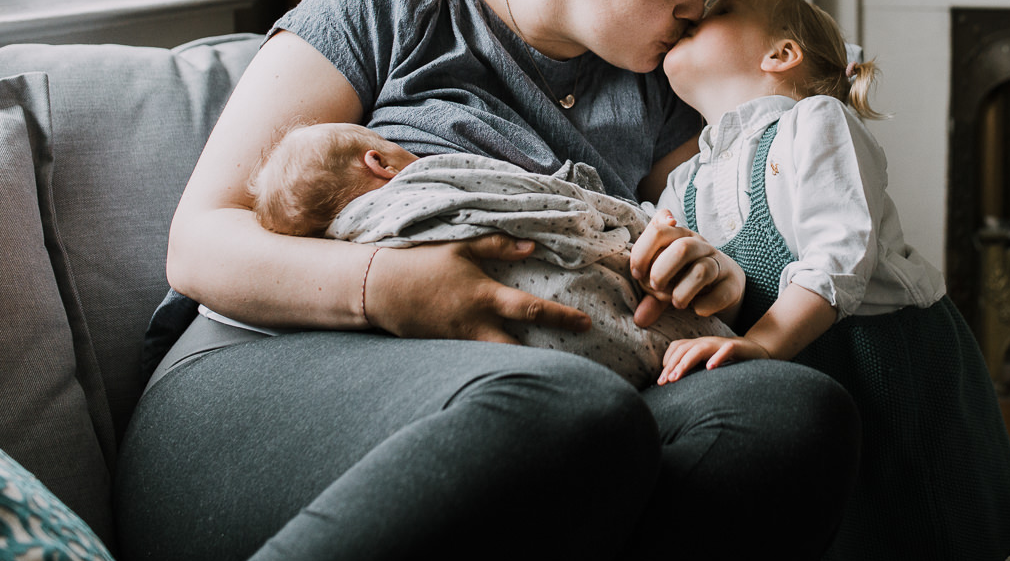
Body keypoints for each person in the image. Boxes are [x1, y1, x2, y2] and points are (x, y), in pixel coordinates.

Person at [115, 0, 860, 561]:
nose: (695, 9)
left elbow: (717, 250)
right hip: (272, 369)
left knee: (791, 411)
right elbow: (199, 241)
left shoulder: (662, 86)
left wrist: (718, 278)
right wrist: (388, 286)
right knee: (569, 409)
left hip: (537, 388)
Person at [630, 0, 1010, 561]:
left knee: (924, 521)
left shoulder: (812, 122)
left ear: (781, 54)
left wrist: (762, 343)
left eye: (718, 9)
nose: (694, 12)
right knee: (841, 530)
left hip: (883, 357)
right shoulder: (686, 181)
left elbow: (843, 249)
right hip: (795, 368)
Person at [244, 120, 734, 387]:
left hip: (535, 360)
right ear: (378, 161)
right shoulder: (425, 178)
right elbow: (530, 201)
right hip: (589, 306)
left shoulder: (348, 244)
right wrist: (614, 232)